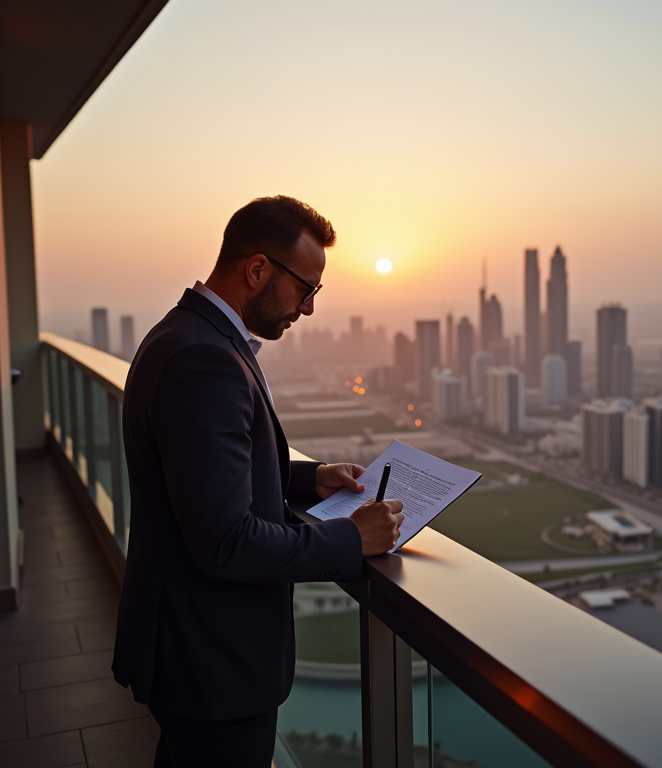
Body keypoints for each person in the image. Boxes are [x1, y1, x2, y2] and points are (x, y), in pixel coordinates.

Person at [111, 196, 405, 767]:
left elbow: (200, 472)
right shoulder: (205, 359)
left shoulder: (186, 335)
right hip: (213, 663)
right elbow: (226, 541)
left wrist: (307, 478)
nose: (310, 308)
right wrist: (352, 540)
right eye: (307, 289)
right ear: (257, 270)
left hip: (191, 651)